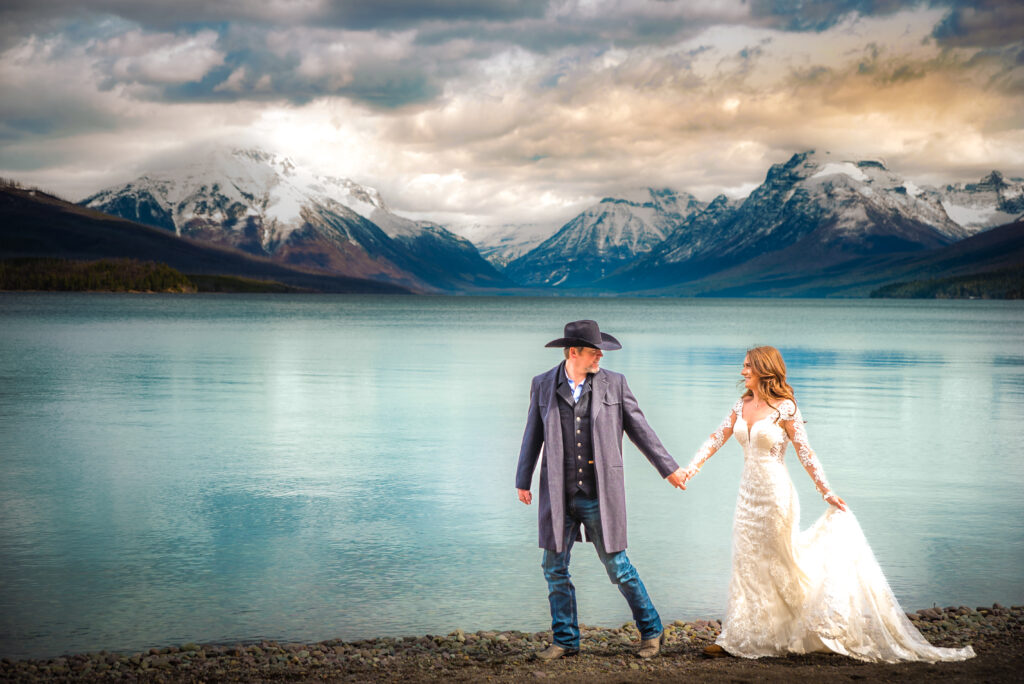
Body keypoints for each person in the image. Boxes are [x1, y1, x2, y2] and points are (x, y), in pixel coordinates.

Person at [679, 345, 975, 663]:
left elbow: (806, 453)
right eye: (743, 366)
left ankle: (797, 626)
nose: (742, 371)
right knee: (746, 564)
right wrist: (689, 470)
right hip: (746, 497)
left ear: (765, 369)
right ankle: (738, 636)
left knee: (781, 563)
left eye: (748, 366)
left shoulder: (786, 408)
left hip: (776, 497)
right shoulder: (742, 405)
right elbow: (716, 437)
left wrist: (826, 492)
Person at [516, 320, 687, 661]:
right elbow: (532, 433)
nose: (600, 357)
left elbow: (641, 430)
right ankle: (565, 639)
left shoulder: (615, 385)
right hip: (558, 492)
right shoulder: (542, 385)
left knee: (618, 566)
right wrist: (523, 479)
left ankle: (652, 631)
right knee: (554, 567)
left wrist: (669, 469)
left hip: (599, 493)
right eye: (595, 351)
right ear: (574, 352)